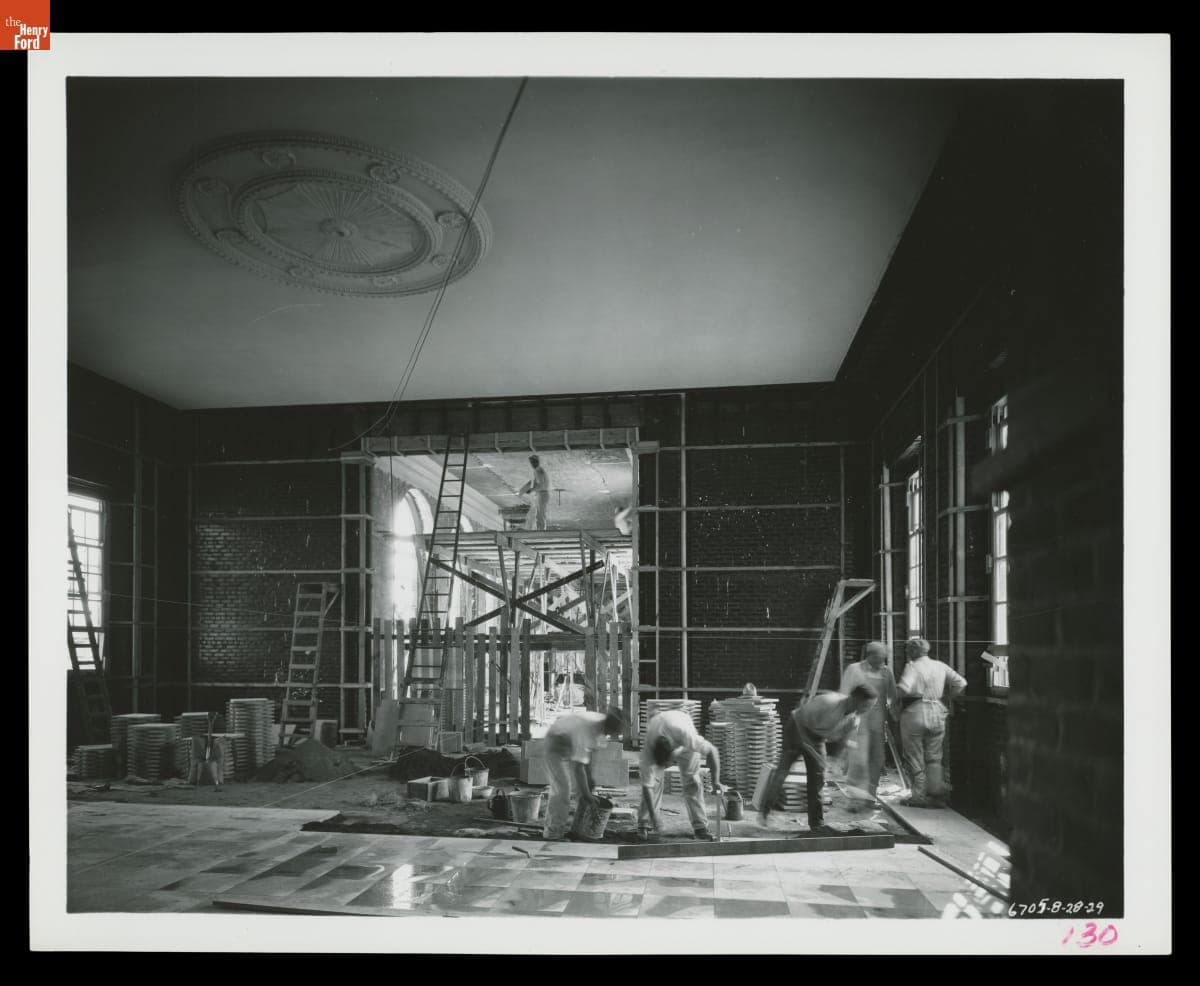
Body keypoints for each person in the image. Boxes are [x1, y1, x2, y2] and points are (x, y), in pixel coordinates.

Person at [759, 684, 877, 833]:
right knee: (782, 772)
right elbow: (799, 719)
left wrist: (835, 762)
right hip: (797, 727)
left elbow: (842, 742)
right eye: (866, 705)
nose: (868, 710)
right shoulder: (828, 702)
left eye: (870, 707)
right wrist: (812, 750)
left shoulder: (854, 720)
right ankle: (764, 812)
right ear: (857, 699)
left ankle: (816, 824)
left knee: (818, 778)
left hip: (818, 737)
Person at [896, 637, 967, 807]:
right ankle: (935, 796)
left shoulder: (912, 666)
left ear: (913, 651)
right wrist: (948, 698)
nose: (907, 653)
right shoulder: (940, 665)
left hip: (915, 712)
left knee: (915, 756)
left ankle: (919, 796)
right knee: (934, 756)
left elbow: (904, 689)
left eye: (908, 650)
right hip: (937, 710)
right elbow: (961, 683)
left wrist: (893, 697)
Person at [638, 709, 725, 842]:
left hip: (681, 729)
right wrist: (654, 816)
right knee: (653, 782)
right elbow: (647, 787)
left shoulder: (687, 736)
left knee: (692, 781)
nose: (665, 767)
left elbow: (712, 751)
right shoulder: (648, 752)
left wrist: (716, 781)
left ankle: (700, 827)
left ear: (671, 756)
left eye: (666, 764)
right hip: (662, 726)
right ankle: (645, 823)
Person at [542, 706, 626, 841]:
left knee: (583, 789)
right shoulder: (586, 730)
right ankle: (553, 833)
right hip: (556, 742)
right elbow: (578, 768)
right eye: (610, 732)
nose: (610, 735)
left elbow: (590, 755)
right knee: (562, 790)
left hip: (570, 741)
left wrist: (590, 780)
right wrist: (587, 794)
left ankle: (579, 828)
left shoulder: (601, 726)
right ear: (607, 726)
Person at [838, 641, 899, 798]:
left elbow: (892, 696)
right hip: (858, 721)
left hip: (878, 722)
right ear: (870, 655)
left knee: (877, 759)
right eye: (879, 658)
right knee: (858, 759)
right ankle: (855, 798)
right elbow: (844, 695)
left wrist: (895, 715)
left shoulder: (887, 672)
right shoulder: (854, 669)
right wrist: (845, 720)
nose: (881, 662)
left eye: (884, 658)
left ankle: (871, 795)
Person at [519, 455, 550, 531]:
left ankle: (541, 530)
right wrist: (526, 488)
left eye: (533, 462)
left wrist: (531, 490)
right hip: (541, 494)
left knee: (541, 513)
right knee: (538, 513)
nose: (532, 464)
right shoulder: (537, 470)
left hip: (543, 494)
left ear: (537, 462)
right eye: (531, 462)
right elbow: (535, 482)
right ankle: (540, 529)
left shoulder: (539, 471)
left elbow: (541, 485)